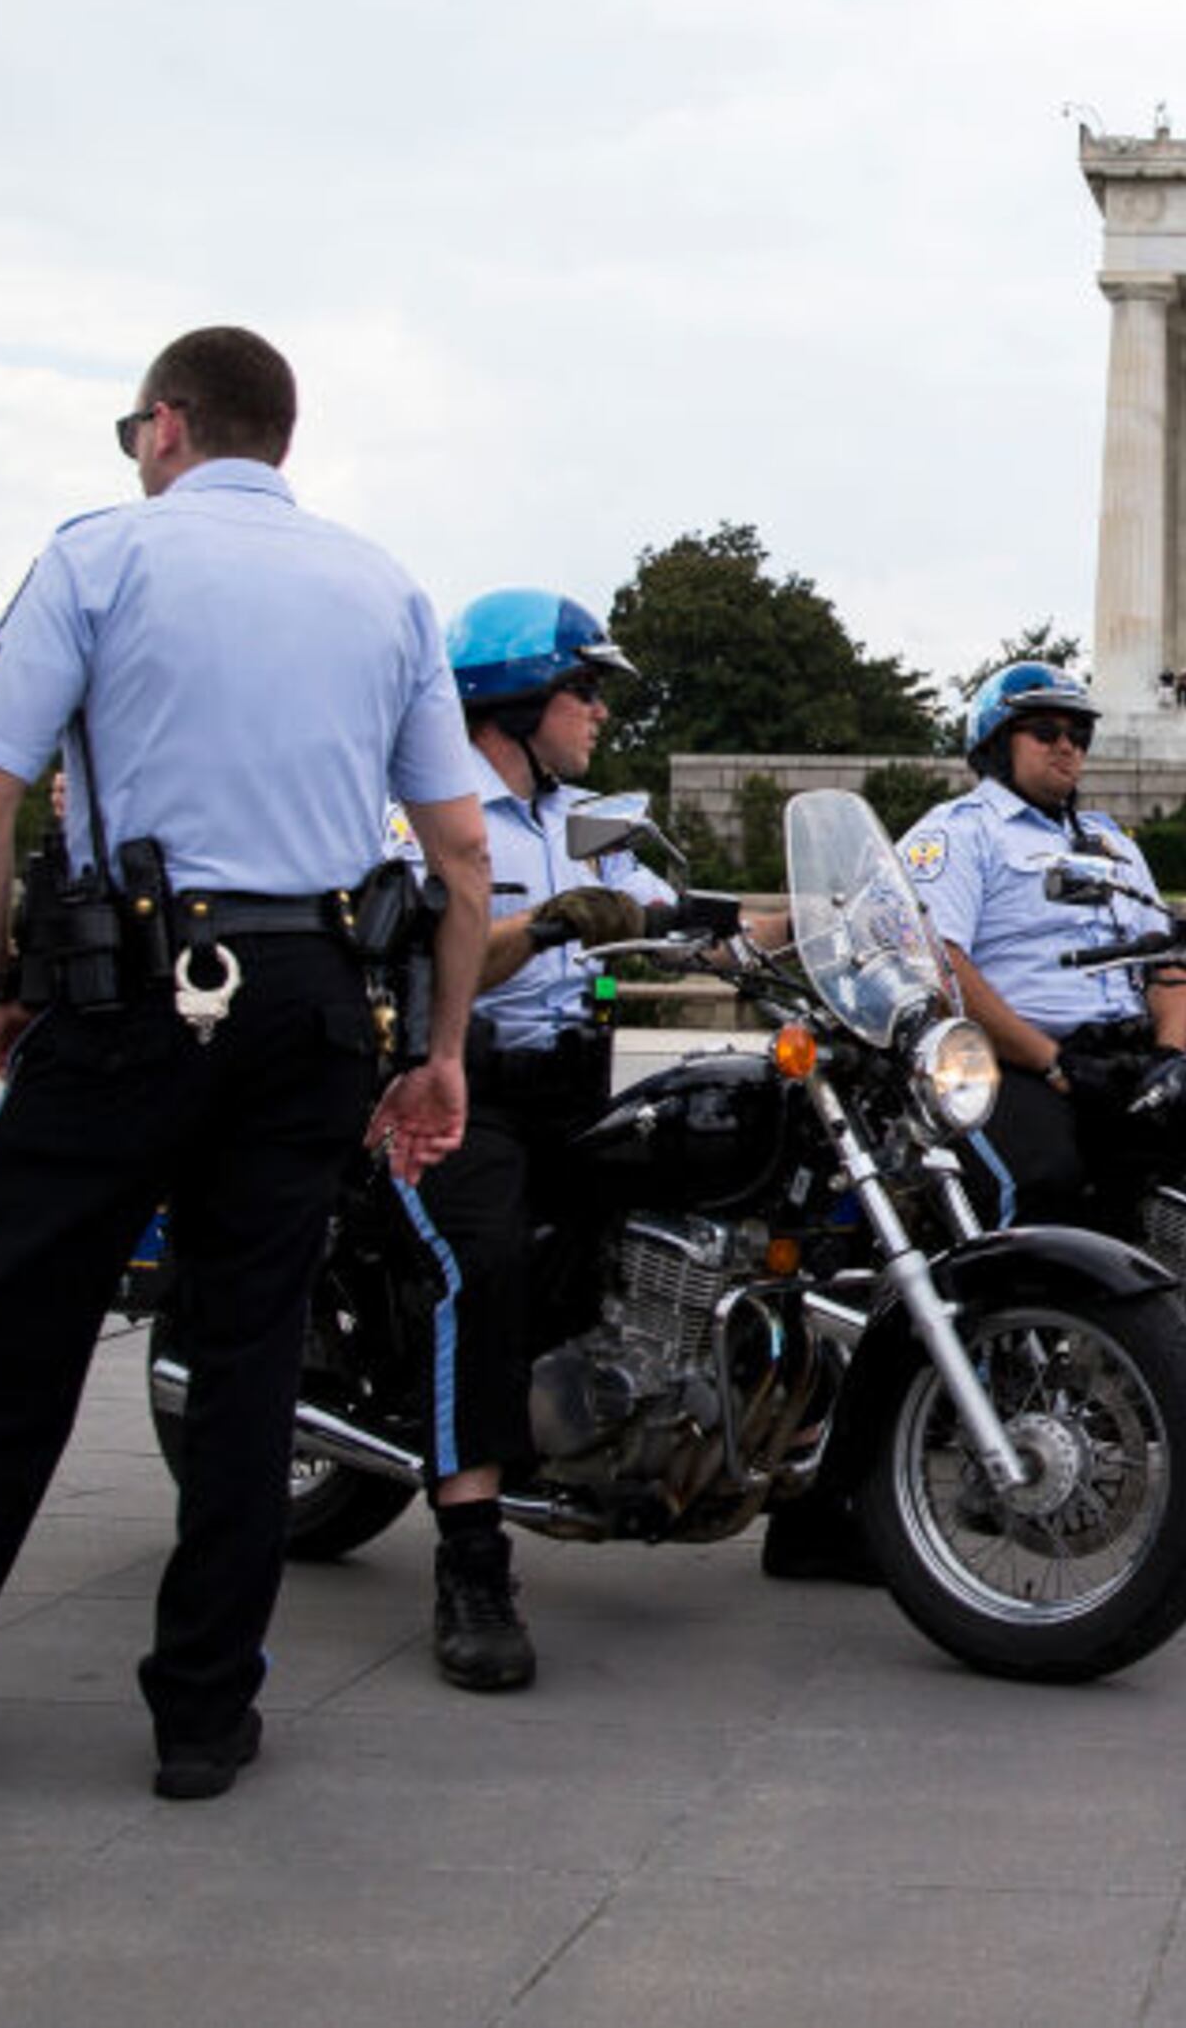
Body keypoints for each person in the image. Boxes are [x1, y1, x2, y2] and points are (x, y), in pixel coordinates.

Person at [0, 326, 487, 1801]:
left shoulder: (102, 557)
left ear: (166, 426)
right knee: (249, 1357)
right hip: (313, 1000)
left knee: (15, 1341)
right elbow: (461, 849)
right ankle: (206, 1712)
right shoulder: (385, 587)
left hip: (139, 982)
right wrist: (440, 1052)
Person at [386, 588, 685, 1690]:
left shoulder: (587, 821)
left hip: (578, 1088)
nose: (599, 710)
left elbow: (669, 912)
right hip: (462, 1093)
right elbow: (416, 961)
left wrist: (814, 915)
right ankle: (469, 1559)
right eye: (583, 687)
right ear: (511, 699)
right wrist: (542, 924)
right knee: (486, 1265)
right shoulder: (427, 807)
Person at [897, 663, 1186, 1224]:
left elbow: (1166, 959)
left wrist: (1169, 1061)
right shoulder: (958, 831)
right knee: (1040, 1183)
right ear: (997, 742)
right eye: (1047, 732)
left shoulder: (1113, 843)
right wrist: (1053, 1062)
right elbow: (941, 966)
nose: (1067, 748)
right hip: (1015, 1065)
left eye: (1079, 735)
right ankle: (997, 1310)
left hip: (1123, 1061)